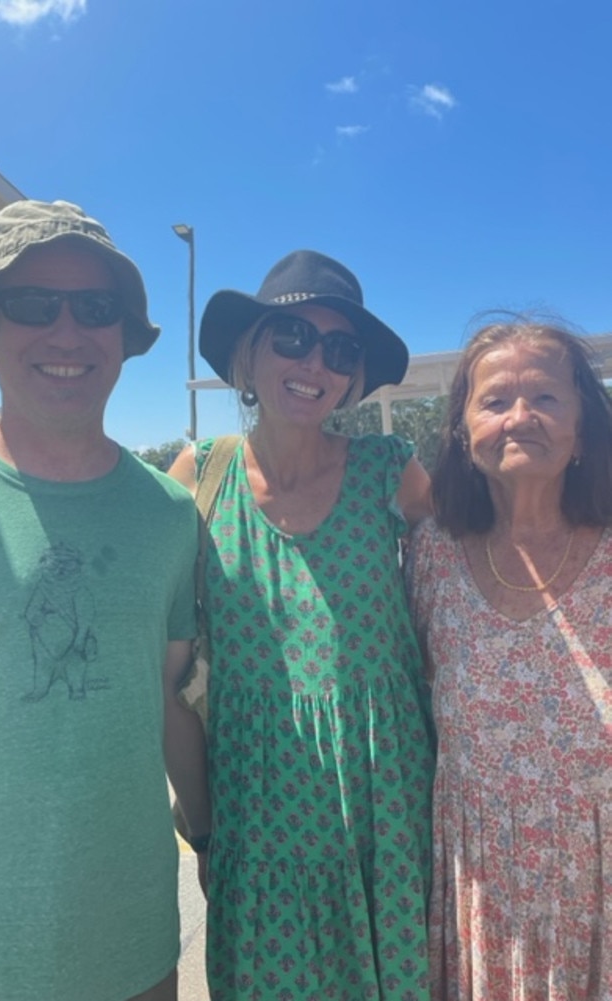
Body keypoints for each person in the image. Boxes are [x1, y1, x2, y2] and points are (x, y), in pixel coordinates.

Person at [168, 250, 436, 1000]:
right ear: (247, 356)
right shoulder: (201, 475)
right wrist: (202, 825)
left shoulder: (390, 470)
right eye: (289, 334)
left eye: (340, 347)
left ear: (353, 376)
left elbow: (478, 563)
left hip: (384, 800)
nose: (314, 360)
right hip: (257, 809)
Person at [0, 199, 210, 1001]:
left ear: (122, 338)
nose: (66, 332)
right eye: (34, 304)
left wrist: (206, 835)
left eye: (95, 308)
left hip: (133, 942)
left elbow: (167, 694)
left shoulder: (171, 516)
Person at [405, 318, 612, 1001]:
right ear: (463, 432)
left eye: (546, 398)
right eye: (495, 400)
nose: (520, 417)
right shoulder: (430, 555)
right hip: (481, 899)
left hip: (598, 895)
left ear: (582, 427)